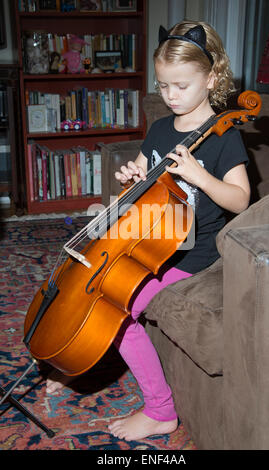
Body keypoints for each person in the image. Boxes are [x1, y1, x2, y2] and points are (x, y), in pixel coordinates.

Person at [47, 20, 250, 442]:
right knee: (89, 286)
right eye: (163, 86)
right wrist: (132, 174)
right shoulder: (160, 128)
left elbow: (240, 199)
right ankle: (72, 360)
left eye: (181, 86)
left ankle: (161, 411)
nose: (170, 97)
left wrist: (200, 176)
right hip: (147, 241)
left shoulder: (223, 137)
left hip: (191, 257)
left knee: (113, 311)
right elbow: (144, 179)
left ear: (211, 78)